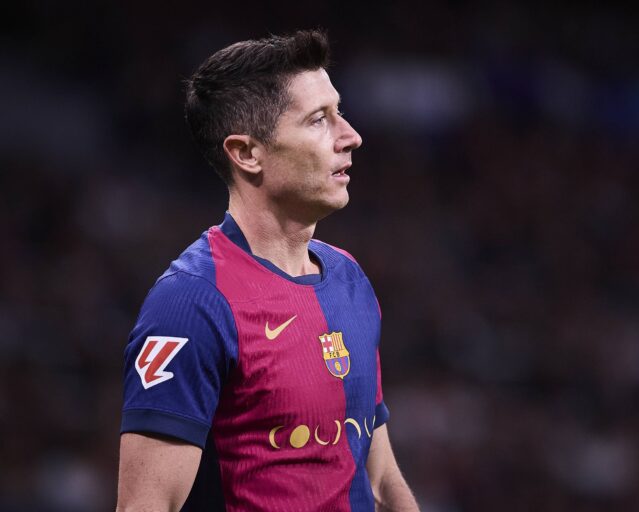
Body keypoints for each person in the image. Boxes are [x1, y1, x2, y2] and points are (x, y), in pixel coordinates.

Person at [116, 30, 419, 512]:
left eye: (339, 112)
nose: (350, 135)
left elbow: (379, 473)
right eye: (320, 120)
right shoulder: (191, 303)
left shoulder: (349, 277)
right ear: (247, 153)